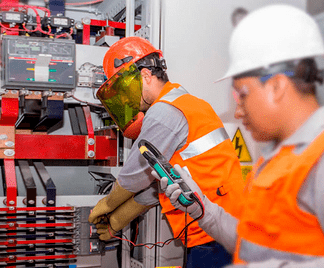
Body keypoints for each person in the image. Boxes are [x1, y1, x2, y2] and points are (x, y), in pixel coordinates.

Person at [159, 4, 324, 267]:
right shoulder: (272, 162)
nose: (238, 112)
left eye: (243, 94)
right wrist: (201, 209)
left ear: (276, 86)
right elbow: (248, 242)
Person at [88, 36, 245, 267]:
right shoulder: (188, 103)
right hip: (225, 225)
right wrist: (116, 222)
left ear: (145, 76)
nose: (124, 98)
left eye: (124, 88)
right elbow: (157, 185)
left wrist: (106, 206)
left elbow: (135, 176)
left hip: (212, 233)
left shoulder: (165, 112)